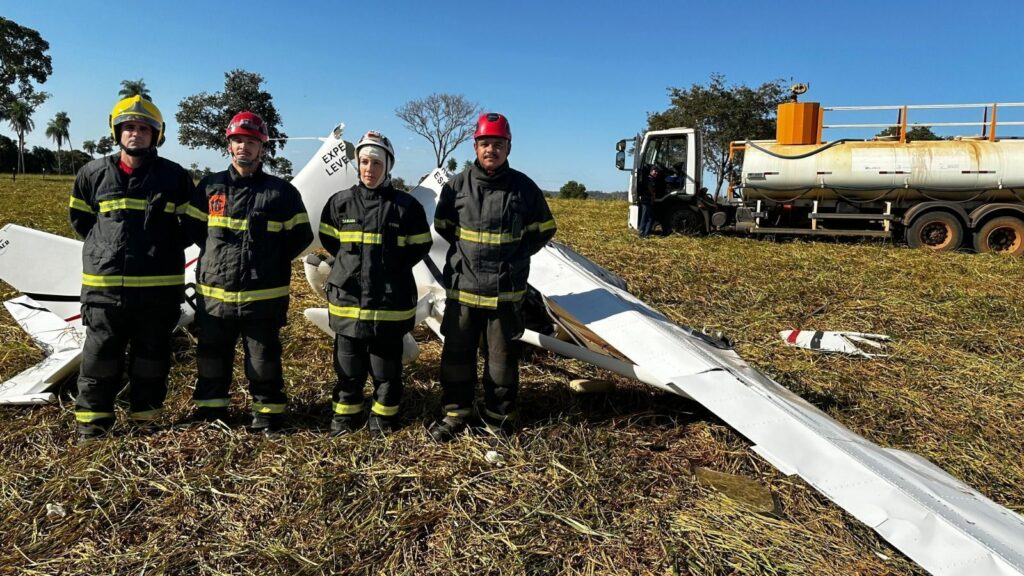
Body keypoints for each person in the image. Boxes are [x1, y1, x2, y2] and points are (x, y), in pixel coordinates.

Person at [68, 95, 194, 442]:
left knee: (151, 359)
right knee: (99, 359)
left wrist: (161, 249)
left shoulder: (175, 177)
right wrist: (108, 252)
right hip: (104, 289)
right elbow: (81, 221)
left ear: (156, 135)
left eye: (143, 128)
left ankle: (146, 423)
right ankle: (93, 427)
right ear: (116, 131)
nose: (135, 134)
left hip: (158, 290)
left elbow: (192, 226)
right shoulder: (92, 174)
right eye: (128, 127)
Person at [429, 113, 557, 442]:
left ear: (508, 147)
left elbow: (543, 230)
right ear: (475, 146)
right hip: (463, 291)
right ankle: (457, 413)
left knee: (501, 361)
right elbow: (445, 227)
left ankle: (499, 418)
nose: (491, 150)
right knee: (457, 357)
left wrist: (513, 259)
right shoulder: (456, 186)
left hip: (505, 293)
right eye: (485, 143)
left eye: (498, 144)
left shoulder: (524, 188)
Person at [183, 111, 313, 435]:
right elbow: (195, 229)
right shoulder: (210, 187)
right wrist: (218, 257)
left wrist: (270, 261)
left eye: (251, 142)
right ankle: (211, 412)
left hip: (263, 297)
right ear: (229, 145)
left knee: (263, 358)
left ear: (262, 148)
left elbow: (301, 237)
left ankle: (268, 416)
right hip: (215, 295)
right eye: (238, 141)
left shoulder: (282, 193)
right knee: (212, 356)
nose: (244, 147)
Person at [318, 131, 432, 436]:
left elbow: (419, 247)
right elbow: (332, 241)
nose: (369, 168)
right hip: (348, 303)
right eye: (364, 161)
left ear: (389, 166)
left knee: (386, 370)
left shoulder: (407, 208)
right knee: (348, 369)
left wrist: (389, 269)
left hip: (388, 305)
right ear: (358, 164)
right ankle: (344, 418)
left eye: (377, 163)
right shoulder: (340, 203)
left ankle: (383, 419)